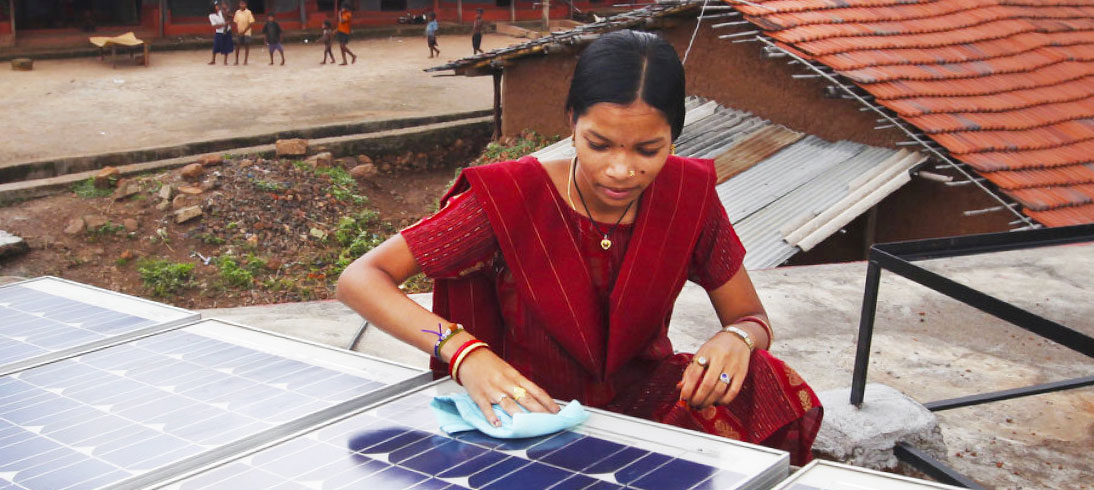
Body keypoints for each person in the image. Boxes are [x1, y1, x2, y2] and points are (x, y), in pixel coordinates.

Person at [337, 29, 822, 465]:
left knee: (766, 379)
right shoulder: (509, 199)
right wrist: (464, 353)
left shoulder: (687, 197)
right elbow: (361, 279)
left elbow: (750, 318)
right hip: (528, 405)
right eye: (600, 144)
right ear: (571, 122)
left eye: (648, 150)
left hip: (641, 398)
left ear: (675, 134)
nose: (620, 170)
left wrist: (736, 340)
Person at [232, 0, 255, 65]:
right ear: (239, 4)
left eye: (243, 4)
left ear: (246, 5)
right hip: (239, 32)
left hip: (247, 32)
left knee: (247, 46)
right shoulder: (237, 12)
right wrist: (237, 31)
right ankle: (236, 60)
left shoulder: (248, 12)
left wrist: (244, 31)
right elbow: (235, 23)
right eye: (241, 4)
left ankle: (245, 60)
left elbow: (251, 23)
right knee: (237, 46)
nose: (242, 5)